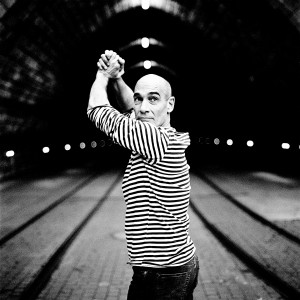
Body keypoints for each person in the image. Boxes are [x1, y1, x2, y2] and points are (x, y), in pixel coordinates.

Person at [87, 50, 199, 299]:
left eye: (154, 99)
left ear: (170, 104)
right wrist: (118, 78)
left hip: (163, 274)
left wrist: (102, 75)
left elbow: (96, 110)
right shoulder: (162, 133)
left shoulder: (154, 140)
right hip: (171, 268)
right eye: (139, 98)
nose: (143, 107)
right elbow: (133, 109)